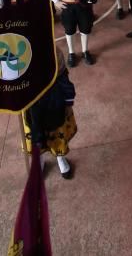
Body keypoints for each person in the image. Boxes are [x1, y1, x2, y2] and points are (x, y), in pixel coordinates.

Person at [22, 47, 77, 178]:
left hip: (54, 105)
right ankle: (39, 160)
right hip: (32, 107)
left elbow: (64, 79)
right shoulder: (19, 53)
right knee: (36, 138)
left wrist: (68, 102)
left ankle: (60, 156)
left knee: (57, 135)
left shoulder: (53, 51)